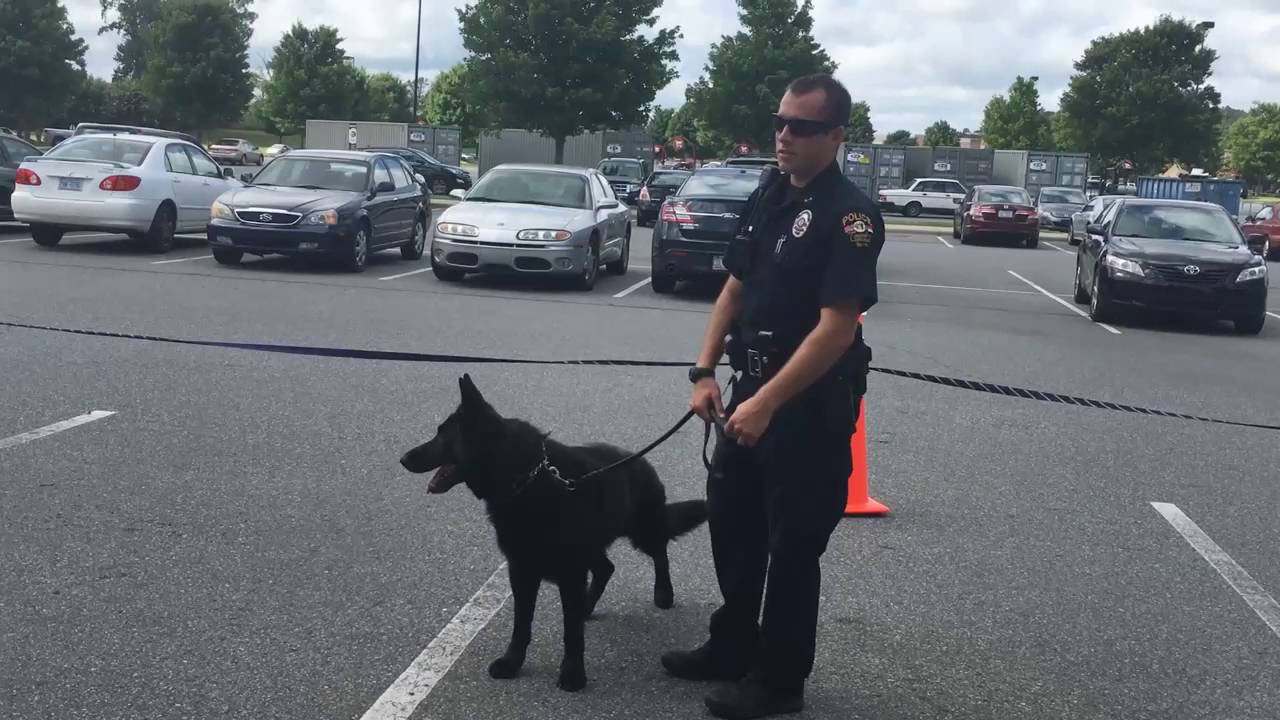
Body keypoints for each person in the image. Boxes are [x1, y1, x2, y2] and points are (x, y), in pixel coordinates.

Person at [662, 74, 885, 719]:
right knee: (732, 525)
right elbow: (734, 287)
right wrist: (704, 371)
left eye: (801, 127)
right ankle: (732, 645)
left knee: (791, 550)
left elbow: (837, 328)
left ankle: (780, 681)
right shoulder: (768, 191)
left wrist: (768, 404)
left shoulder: (850, 215)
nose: (784, 135)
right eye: (779, 122)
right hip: (748, 387)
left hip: (808, 406)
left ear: (836, 136)